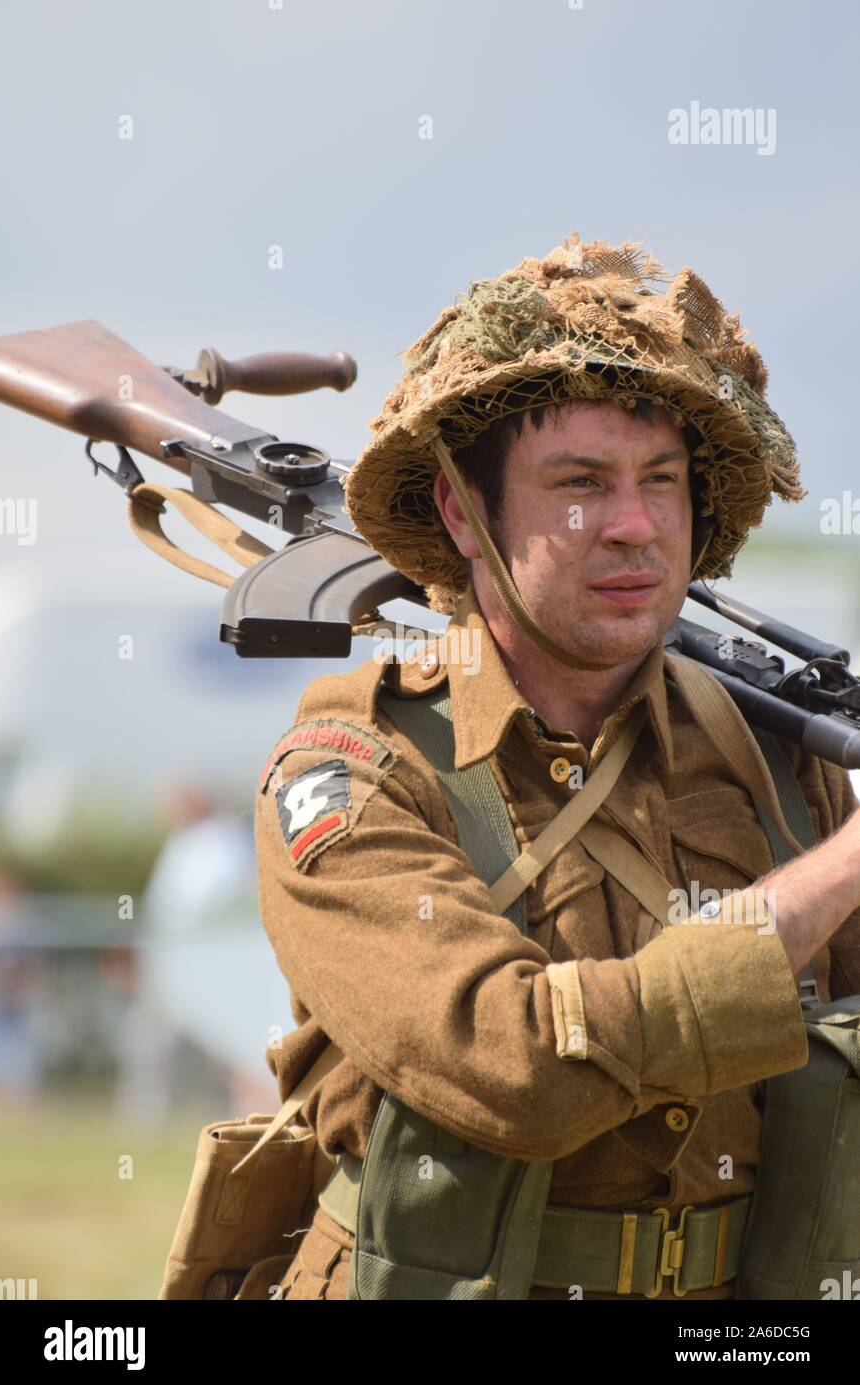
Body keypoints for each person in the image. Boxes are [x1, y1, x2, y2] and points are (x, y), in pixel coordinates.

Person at [253, 233, 860, 1300]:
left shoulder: (773, 757)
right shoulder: (355, 764)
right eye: (578, 485)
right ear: (463, 512)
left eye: (659, 482)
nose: (630, 526)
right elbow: (515, 1071)